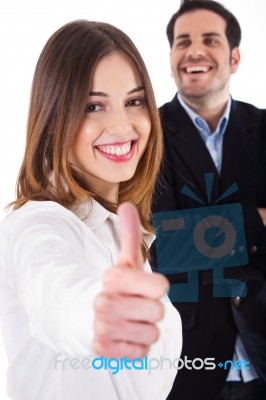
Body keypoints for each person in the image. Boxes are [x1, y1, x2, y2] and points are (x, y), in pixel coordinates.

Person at [0, 20, 182, 400]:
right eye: (93, 106)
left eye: (134, 101)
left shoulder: (122, 231)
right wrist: (101, 314)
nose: (122, 125)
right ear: (53, 119)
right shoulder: (39, 222)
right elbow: (56, 292)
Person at [151, 1, 266, 400]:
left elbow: (185, 238)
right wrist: (257, 222)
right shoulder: (149, 137)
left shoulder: (265, 129)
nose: (194, 51)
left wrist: (200, 230)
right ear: (171, 59)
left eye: (209, 40)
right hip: (189, 361)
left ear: (233, 57)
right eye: (183, 42)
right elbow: (163, 245)